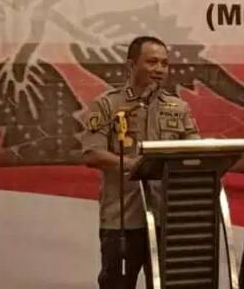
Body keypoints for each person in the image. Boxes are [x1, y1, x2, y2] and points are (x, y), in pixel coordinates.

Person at [78, 35, 200, 289]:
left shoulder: (179, 107)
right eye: (152, 62)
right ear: (131, 65)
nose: (160, 69)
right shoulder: (107, 104)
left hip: (167, 218)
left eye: (164, 63)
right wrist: (135, 165)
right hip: (123, 219)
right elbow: (92, 153)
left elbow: (195, 151)